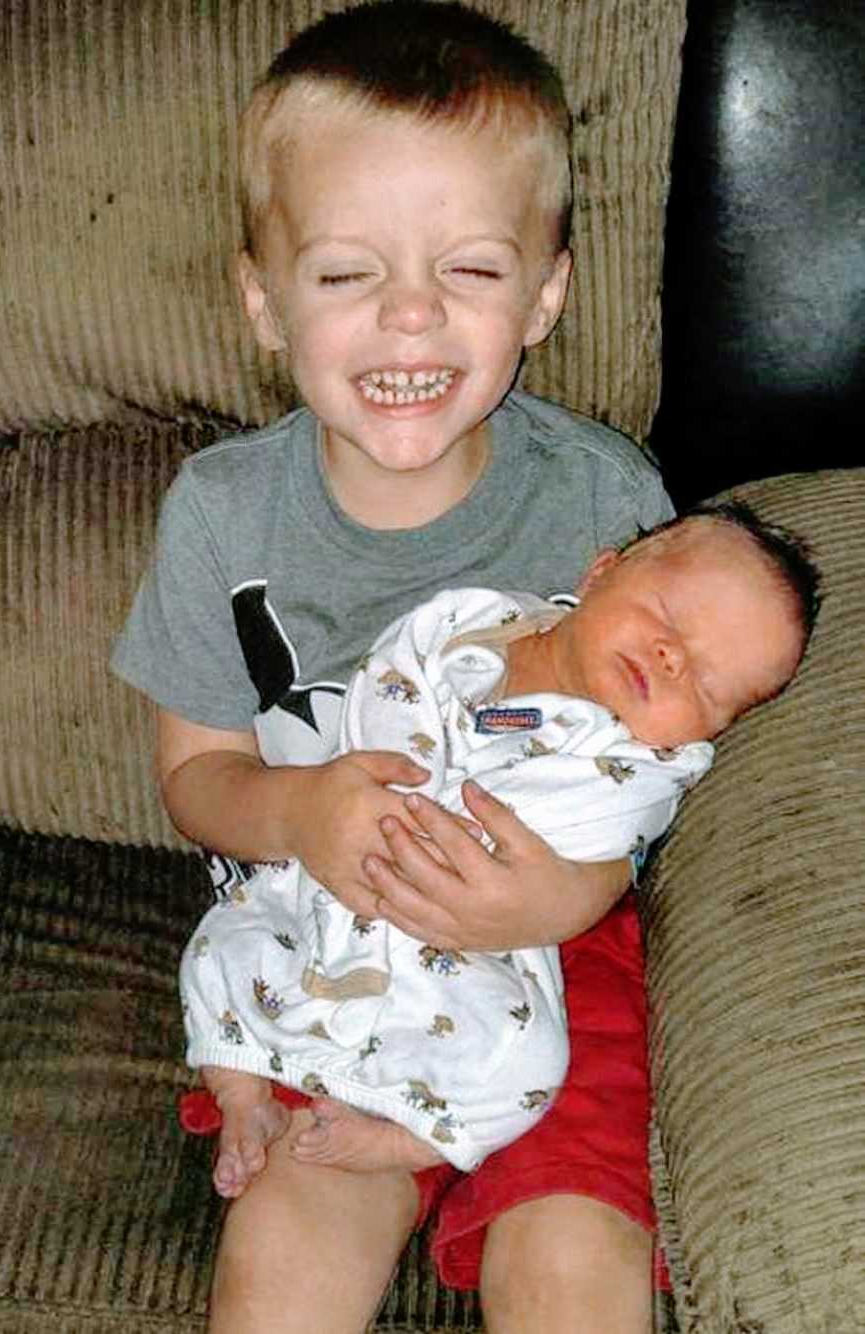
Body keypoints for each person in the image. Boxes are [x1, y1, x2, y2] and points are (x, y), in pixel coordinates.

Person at [111, 2, 722, 1329]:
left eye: (470, 271)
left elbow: (665, 763)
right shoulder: (222, 513)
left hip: (560, 938)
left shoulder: (608, 508)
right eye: (345, 275)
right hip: (320, 933)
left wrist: (551, 897)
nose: (408, 315)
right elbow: (195, 776)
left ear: (547, 294)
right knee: (287, 1245)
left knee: (575, 1256)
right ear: (263, 301)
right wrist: (305, 812)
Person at [177, 503, 817, 1188]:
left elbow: (575, 837)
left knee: (527, 1061)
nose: (670, 658)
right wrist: (379, 792)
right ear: (602, 571)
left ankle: (412, 1141)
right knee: (225, 941)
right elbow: (389, 678)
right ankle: (241, 1095)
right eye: (669, 617)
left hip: (462, 944)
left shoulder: (631, 767)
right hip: (331, 875)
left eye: (704, 684)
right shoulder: (466, 627)